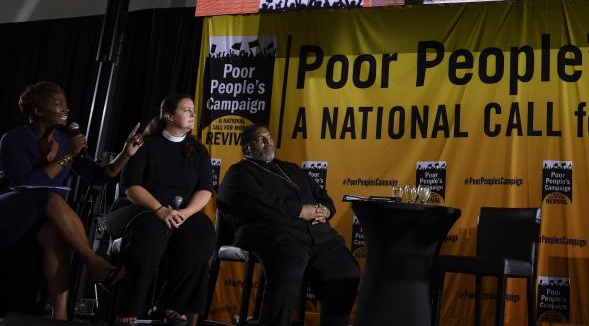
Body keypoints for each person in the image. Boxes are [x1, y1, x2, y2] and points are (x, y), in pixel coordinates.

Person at [0, 81, 143, 320]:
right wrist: (68, 157)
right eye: (59, 104)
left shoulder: (67, 141)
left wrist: (126, 154)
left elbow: (99, 177)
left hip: (46, 215)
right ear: (37, 110)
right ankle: (95, 264)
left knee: (55, 234)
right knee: (51, 196)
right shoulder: (13, 140)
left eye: (66, 104)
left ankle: (61, 316)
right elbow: (26, 184)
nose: (66, 109)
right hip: (12, 211)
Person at [217, 124, 360, 326]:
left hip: (320, 238)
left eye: (269, 136)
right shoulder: (239, 173)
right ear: (248, 147)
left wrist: (326, 210)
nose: (268, 141)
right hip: (280, 237)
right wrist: (300, 211)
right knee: (287, 275)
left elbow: (321, 195)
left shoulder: (291, 169)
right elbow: (247, 201)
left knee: (346, 271)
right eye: (261, 139)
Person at [107, 94, 216, 325]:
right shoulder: (146, 145)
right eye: (187, 110)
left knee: (202, 233)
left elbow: (205, 190)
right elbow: (132, 188)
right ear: (168, 116)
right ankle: (130, 307)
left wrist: (185, 214)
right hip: (140, 208)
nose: (193, 115)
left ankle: (171, 305)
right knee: (151, 232)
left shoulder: (198, 151)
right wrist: (159, 210)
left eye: (194, 111)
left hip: (179, 212)